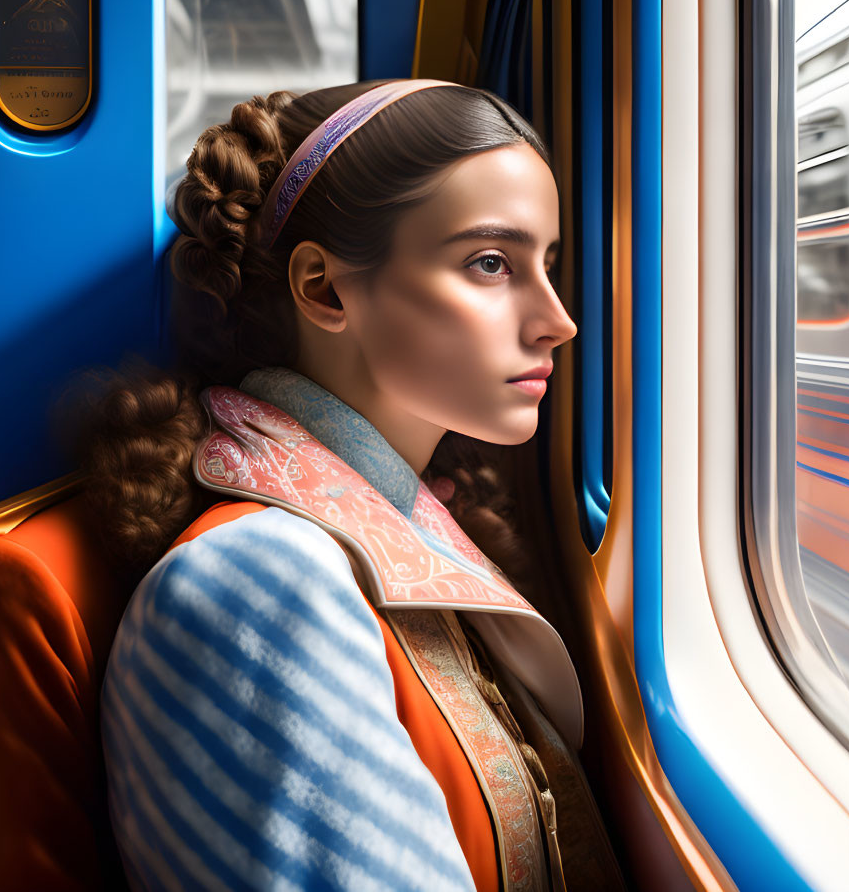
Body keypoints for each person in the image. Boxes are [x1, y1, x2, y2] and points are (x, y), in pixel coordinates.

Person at [86, 79, 625, 892]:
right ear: (323, 289)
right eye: (490, 263)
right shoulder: (256, 585)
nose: (556, 318)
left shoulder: (387, 528)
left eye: (543, 265)